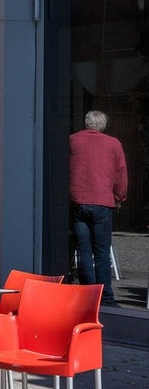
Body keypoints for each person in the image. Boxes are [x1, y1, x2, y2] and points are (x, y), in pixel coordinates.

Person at [70, 110, 128, 307]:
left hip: (78, 199)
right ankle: (105, 297)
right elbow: (121, 173)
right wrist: (120, 196)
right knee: (102, 252)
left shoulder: (72, 140)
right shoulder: (113, 143)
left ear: (87, 123)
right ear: (102, 126)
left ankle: (88, 294)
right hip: (102, 201)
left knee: (83, 250)